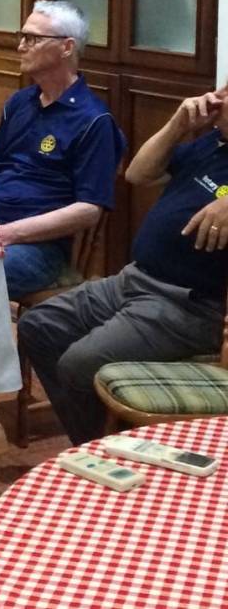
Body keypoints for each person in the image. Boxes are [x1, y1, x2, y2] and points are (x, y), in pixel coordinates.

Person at [18, 87, 228, 444]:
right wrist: (177, 126)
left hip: (187, 305)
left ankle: (107, 447)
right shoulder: (213, 144)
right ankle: (100, 442)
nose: (216, 97)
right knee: (38, 326)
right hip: (134, 279)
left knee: (78, 365)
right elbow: (137, 173)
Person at [0, 0, 125, 299]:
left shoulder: (94, 121)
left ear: (66, 47)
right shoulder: (20, 102)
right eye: (22, 37)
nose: (21, 47)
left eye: (32, 39)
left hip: (38, 246)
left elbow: (89, 210)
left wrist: (7, 234)